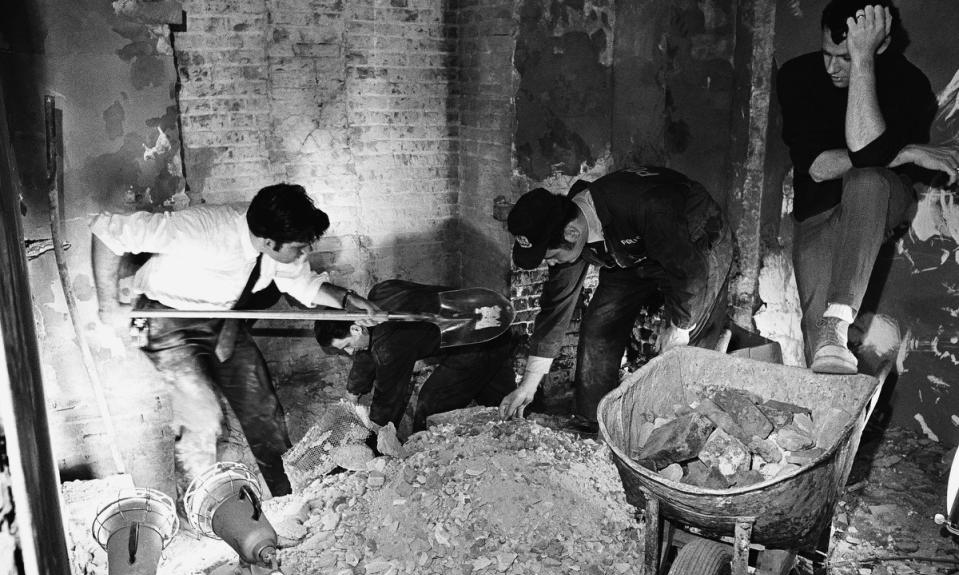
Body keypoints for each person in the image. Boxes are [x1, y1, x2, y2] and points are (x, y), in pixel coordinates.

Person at [90, 183, 384, 498]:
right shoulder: (201, 228)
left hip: (221, 315)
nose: (305, 253)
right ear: (270, 241)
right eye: (299, 247)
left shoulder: (279, 241)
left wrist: (346, 299)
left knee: (262, 407)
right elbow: (107, 230)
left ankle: (287, 499)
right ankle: (200, 508)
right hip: (161, 315)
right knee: (201, 414)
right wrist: (108, 305)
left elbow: (303, 285)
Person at [777, 0, 959, 374]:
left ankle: (837, 318)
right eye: (827, 53)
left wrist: (862, 62)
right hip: (816, 217)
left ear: (882, 44)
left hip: (878, 201)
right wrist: (910, 151)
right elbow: (819, 168)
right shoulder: (796, 76)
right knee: (825, 358)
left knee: (867, 178)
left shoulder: (910, 85)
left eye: (844, 56)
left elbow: (866, 153)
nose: (831, 68)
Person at [498, 165, 733, 430]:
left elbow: (690, 272)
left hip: (695, 239)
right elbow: (556, 307)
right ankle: (592, 421)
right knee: (599, 326)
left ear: (572, 234)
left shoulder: (648, 207)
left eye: (550, 257)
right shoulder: (564, 226)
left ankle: (682, 429)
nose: (551, 264)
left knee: (688, 345)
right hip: (629, 250)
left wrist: (679, 327)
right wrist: (528, 385)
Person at [314, 279, 516, 438]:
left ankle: (423, 453)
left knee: (432, 402)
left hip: (480, 340)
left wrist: (375, 434)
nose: (350, 352)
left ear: (356, 328)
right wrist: (353, 392)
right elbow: (368, 348)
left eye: (347, 346)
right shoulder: (380, 293)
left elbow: (389, 398)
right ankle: (519, 426)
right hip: (489, 322)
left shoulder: (390, 347)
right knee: (501, 402)